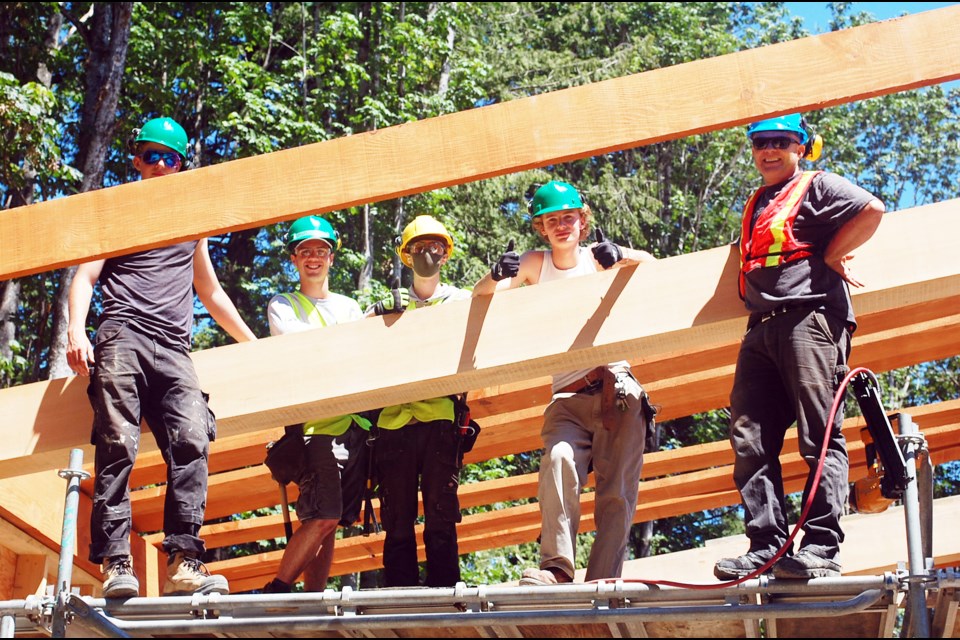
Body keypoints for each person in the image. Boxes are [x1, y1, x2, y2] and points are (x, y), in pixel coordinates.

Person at [66, 116, 258, 598]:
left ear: (180, 164)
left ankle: (184, 561)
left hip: (174, 347)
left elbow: (210, 292)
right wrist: (75, 330)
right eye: (150, 155)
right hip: (123, 334)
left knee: (193, 438)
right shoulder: (115, 209)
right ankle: (115, 563)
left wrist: (253, 345)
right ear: (136, 158)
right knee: (117, 445)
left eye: (169, 157)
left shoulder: (191, 221)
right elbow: (85, 277)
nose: (159, 165)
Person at [713, 113, 885, 581]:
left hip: (808, 318)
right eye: (759, 143)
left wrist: (831, 255)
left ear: (802, 147)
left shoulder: (818, 185)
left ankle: (821, 546)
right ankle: (766, 545)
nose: (768, 151)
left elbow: (872, 208)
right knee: (749, 438)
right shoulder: (757, 201)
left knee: (820, 433)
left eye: (781, 142)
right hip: (761, 327)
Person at [472, 180, 657, 586]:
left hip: (617, 389)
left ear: (582, 220)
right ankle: (557, 567)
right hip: (568, 396)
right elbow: (483, 294)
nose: (561, 226)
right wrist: (494, 275)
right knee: (557, 459)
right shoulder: (536, 264)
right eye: (551, 220)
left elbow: (657, 269)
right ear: (540, 227)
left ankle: (603, 581)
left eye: (568, 217)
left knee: (616, 493)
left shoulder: (600, 260)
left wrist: (624, 255)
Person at [261, 215, 372, 593]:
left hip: (353, 426)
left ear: (331, 257)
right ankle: (277, 587)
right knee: (323, 514)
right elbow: (297, 343)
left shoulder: (348, 307)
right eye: (305, 250)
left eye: (320, 250)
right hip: (314, 428)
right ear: (293, 258)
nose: (313, 257)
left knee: (333, 520)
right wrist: (347, 341)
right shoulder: (283, 305)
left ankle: (314, 598)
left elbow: (362, 351)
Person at [365, 215, 473, 587]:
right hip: (393, 423)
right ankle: (399, 593)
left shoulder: (459, 300)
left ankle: (445, 590)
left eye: (435, 247)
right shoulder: (388, 306)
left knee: (441, 512)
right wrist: (375, 317)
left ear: (445, 255)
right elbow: (356, 344)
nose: (427, 253)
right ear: (406, 256)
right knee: (397, 515)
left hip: (440, 419)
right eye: (419, 248)